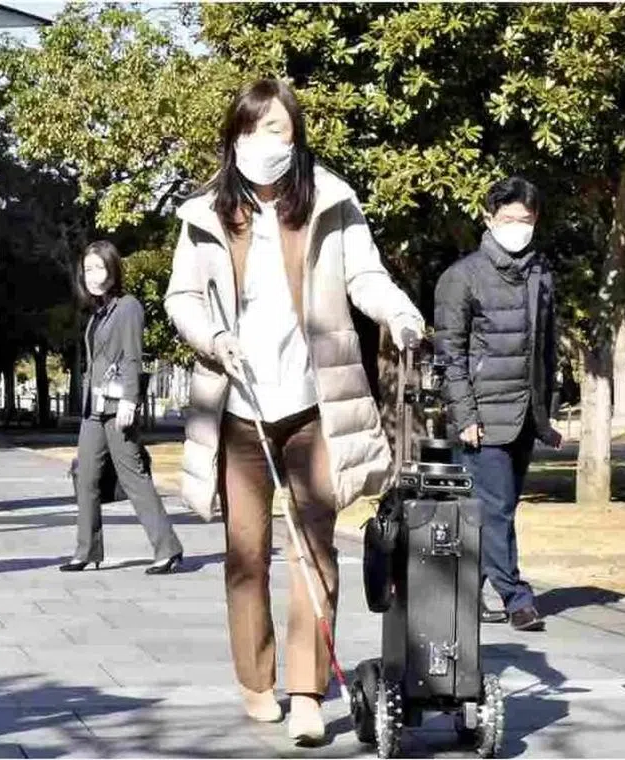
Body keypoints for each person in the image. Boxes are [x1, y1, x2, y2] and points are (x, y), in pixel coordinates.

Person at [163, 78, 423, 744]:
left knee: (312, 550)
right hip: (239, 409)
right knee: (246, 554)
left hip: (313, 405)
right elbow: (181, 299)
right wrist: (214, 339)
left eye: (279, 128)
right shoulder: (206, 214)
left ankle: (308, 691)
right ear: (234, 138)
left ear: (297, 135)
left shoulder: (332, 201)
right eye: (254, 130)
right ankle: (257, 680)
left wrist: (397, 312)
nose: (267, 141)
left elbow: (364, 276)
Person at [434, 176, 562, 633]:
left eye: (524, 220)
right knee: (495, 508)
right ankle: (516, 597)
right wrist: (464, 416)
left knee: (493, 509)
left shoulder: (541, 273)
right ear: (488, 219)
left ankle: (461, 594)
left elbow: (548, 347)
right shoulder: (461, 278)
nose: (517, 228)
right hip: (483, 418)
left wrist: (548, 410)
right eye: (507, 219)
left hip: (525, 414)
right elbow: (450, 354)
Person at [60, 241, 185, 575]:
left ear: (113, 270)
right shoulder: (97, 314)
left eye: (99, 267)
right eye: (88, 269)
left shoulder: (127, 307)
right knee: (84, 476)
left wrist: (130, 400)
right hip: (93, 409)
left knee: (134, 477)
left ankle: (167, 548)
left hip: (117, 406)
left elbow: (132, 357)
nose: (92, 275)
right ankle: (87, 550)